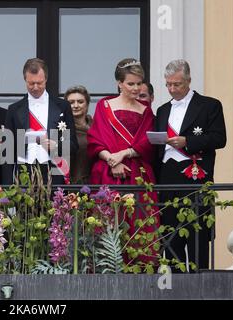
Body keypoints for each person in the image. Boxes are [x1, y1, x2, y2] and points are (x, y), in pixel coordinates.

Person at [155, 59, 226, 270]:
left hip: (195, 176)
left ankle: (199, 285)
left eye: (177, 84)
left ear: (189, 80)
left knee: (197, 236)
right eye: (168, 84)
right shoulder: (162, 110)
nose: (172, 89)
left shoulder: (209, 105)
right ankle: (174, 285)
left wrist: (188, 142)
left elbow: (219, 138)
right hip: (167, 177)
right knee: (171, 235)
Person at [87, 58, 159, 263]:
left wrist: (125, 154)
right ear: (119, 83)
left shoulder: (146, 110)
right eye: (131, 83)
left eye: (138, 83)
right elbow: (95, 139)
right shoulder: (105, 105)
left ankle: (140, 274)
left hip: (138, 174)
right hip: (108, 173)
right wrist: (113, 160)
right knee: (108, 223)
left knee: (140, 226)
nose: (136, 88)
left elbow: (147, 142)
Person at [3, 58, 78, 185]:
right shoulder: (14, 109)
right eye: (31, 83)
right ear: (25, 80)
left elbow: (73, 145)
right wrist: (7, 186)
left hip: (54, 173)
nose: (36, 87)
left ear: (46, 79)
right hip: (23, 175)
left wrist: (56, 147)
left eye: (40, 83)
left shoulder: (63, 106)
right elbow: (7, 151)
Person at [64, 85, 93, 184]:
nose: (75, 106)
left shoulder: (97, 128)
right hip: (70, 186)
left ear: (87, 104)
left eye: (80, 102)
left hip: (96, 184)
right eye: (71, 102)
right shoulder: (61, 130)